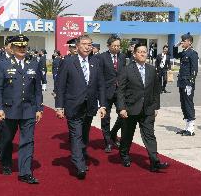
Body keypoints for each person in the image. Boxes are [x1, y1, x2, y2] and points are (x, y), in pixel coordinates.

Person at [0, 34, 43, 184]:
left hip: (28, 109)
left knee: (28, 141)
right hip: (9, 109)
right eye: (18, 46)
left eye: (24, 47)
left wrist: (39, 108)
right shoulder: (3, 64)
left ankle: (25, 172)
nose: (22, 49)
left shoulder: (33, 64)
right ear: (12, 48)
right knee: (7, 139)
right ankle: (7, 162)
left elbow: (38, 89)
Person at [55, 35, 106, 180]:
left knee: (84, 134)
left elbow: (101, 85)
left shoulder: (96, 62)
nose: (87, 47)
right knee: (76, 134)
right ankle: (79, 164)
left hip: (89, 105)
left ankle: (81, 155)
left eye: (90, 44)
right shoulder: (68, 62)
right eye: (84, 44)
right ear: (77, 46)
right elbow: (60, 86)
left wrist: (102, 105)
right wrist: (59, 106)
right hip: (73, 105)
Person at [117, 43, 169, 172]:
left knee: (149, 135)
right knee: (127, 135)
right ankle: (124, 155)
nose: (142, 54)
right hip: (130, 109)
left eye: (144, 52)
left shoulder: (152, 69)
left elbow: (156, 90)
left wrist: (156, 107)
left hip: (148, 109)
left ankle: (154, 162)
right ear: (134, 54)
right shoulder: (127, 69)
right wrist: (121, 108)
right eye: (139, 52)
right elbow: (120, 91)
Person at [98, 34, 126, 153]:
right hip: (106, 91)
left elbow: (124, 74)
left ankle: (113, 133)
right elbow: (99, 76)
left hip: (120, 91)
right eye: (114, 45)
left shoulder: (123, 57)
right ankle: (108, 142)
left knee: (123, 115)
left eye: (118, 46)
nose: (116, 48)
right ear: (108, 46)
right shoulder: (102, 57)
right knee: (105, 119)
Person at [174, 33, 198, 136]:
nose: (182, 42)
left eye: (184, 41)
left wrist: (190, 83)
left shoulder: (193, 53)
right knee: (183, 104)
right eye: (182, 41)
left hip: (188, 83)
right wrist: (176, 45)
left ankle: (191, 129)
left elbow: (194, 70)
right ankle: (187, 127)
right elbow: (175, 55)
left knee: (188, 104)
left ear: (190, 42)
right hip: (182, 82)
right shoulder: (184, 53)